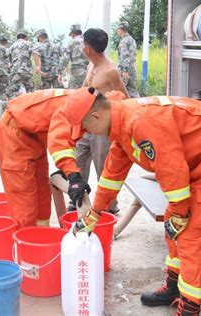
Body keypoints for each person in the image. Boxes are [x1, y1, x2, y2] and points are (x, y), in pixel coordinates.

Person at [67, 94, 201, 315]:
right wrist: (94, 214)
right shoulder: (122, 125)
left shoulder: (141, 121)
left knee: (195, 236)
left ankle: (189, 308)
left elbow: (171, 167)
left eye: (86, 128)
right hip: (193, 166)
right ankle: (173, 288)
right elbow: (112, 174)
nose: (88, 134)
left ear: (96, 116)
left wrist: (181, 213)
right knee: (173, 225)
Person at [0, 87, 125, 228]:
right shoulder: (71, 108)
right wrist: (74, 177)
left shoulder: (87, 106)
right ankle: (26, 242)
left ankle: (42, 237)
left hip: (35, 136)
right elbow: (59, 143)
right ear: (98, 113)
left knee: (42, 196)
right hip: (14, 134)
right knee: (24, 200)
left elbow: (69, 139)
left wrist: (66, 171)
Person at [73, 28, 129, 214]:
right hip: (84, 123)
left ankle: (109, 206)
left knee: (103, 167)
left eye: (82, 44)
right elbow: (84, 90)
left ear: (88, 48)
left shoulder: (110, 70)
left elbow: (124, 97)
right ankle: (77, 200)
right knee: (77, 162)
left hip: (102, 127)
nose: (81, 46)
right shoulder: (91, 65)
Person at [57, 24, 89, 88]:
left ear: (73, 34)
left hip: (76, 73)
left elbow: (64, 59)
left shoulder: (71, 43)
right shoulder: (88, 41)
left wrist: (59, 72)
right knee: (87, 93)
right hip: (89, 71)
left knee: (73, 94)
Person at [7, 32, 34, 98]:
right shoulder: (29, 44)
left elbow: (9, 61)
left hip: (16, 72)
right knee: (31, 92)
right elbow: (34, 53)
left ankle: (13, 106)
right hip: (27, 71)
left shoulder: (12, 47)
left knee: (12, 92)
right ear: (25, 38)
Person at [116, 21, 140, 98]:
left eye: (118, 29)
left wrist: (125, 71)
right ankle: (140, 106)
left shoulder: (123, 42)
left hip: (125, 70)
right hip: (133, 68)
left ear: (121, 29)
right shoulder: (132, 40)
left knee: (122, 91)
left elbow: (125, 57)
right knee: (133, 90)